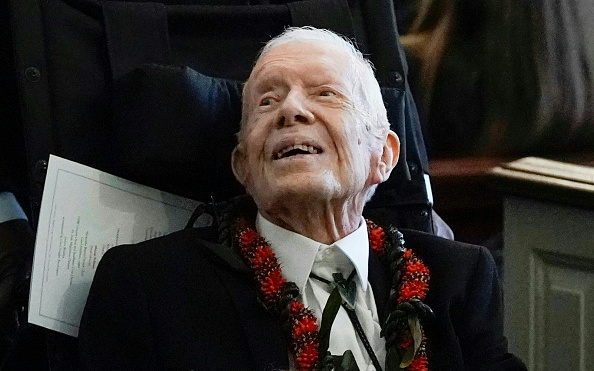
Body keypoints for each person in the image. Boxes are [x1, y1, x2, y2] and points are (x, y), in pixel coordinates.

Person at [78, 27, 525, 370]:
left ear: (383, 156)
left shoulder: (459, 279)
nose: (292, 110)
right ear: (243, 166)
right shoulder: (149, 287)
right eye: (267, 102)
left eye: (325, 93)